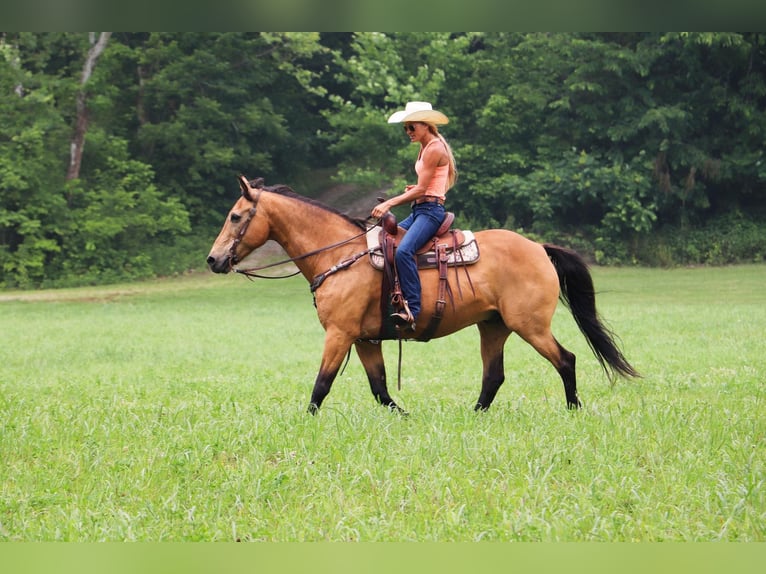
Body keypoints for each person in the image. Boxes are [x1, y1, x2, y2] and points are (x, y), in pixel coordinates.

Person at [371, 101, 458, 329]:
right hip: (421, 209)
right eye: (406, 128)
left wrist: (390, 202)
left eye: (412, 127)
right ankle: (389, 298)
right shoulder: (425, 146)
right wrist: (417, 191)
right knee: (386, 241)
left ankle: (413, 310)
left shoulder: (435, 148)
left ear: (426, 125)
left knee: (404, 252)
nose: (408, 132)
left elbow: (423, 189)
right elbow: (424, 186)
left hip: (430, 212)